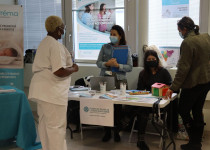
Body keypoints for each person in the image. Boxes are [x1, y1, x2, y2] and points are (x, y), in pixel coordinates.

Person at [28, 15, 79, 150]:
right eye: (62, 29)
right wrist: (73, 68)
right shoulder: (55, 45)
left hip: (41, 91)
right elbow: (59, 71)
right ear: (58, 29)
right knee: (56, 127)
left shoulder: (44, 42)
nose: (63, 31)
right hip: (52, 93)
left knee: (45, 124)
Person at [165, 16, 210, 150]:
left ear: (184, 29)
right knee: (197, 110)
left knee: (183, 110)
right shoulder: (206, 37)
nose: (180, 33)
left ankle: (194, 141)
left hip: (193, 84)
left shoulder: (187, 42)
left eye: (180, 30)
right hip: (206, 81)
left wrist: (173, 88)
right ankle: (196, 143)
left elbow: (183, 69)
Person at [96, 25, 133, 142]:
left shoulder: (126, 49)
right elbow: (98, 63)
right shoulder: (104, 47)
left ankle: (117, 131)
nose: (111, 36)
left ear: (120, 36)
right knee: (106, 106)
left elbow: (130, 67)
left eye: (114, 34)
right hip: (106, 79)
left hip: (120, 80)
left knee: (117, 108)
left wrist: (118, 66)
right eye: (110, 34)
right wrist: (107, 64)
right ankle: (107, 131)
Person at [135, 49, 172, 150]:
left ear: (157, 59)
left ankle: (123, 122)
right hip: (146, 102)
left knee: (139, 111)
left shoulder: (163, 72)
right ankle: (141, 141)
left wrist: (164, 90)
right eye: (149, 59)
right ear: (146, 61)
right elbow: (139, 89)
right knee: (141, 109)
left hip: (159, 103)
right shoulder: (143, 73)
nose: (151, 60)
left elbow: (171, 85)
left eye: (153, 58)